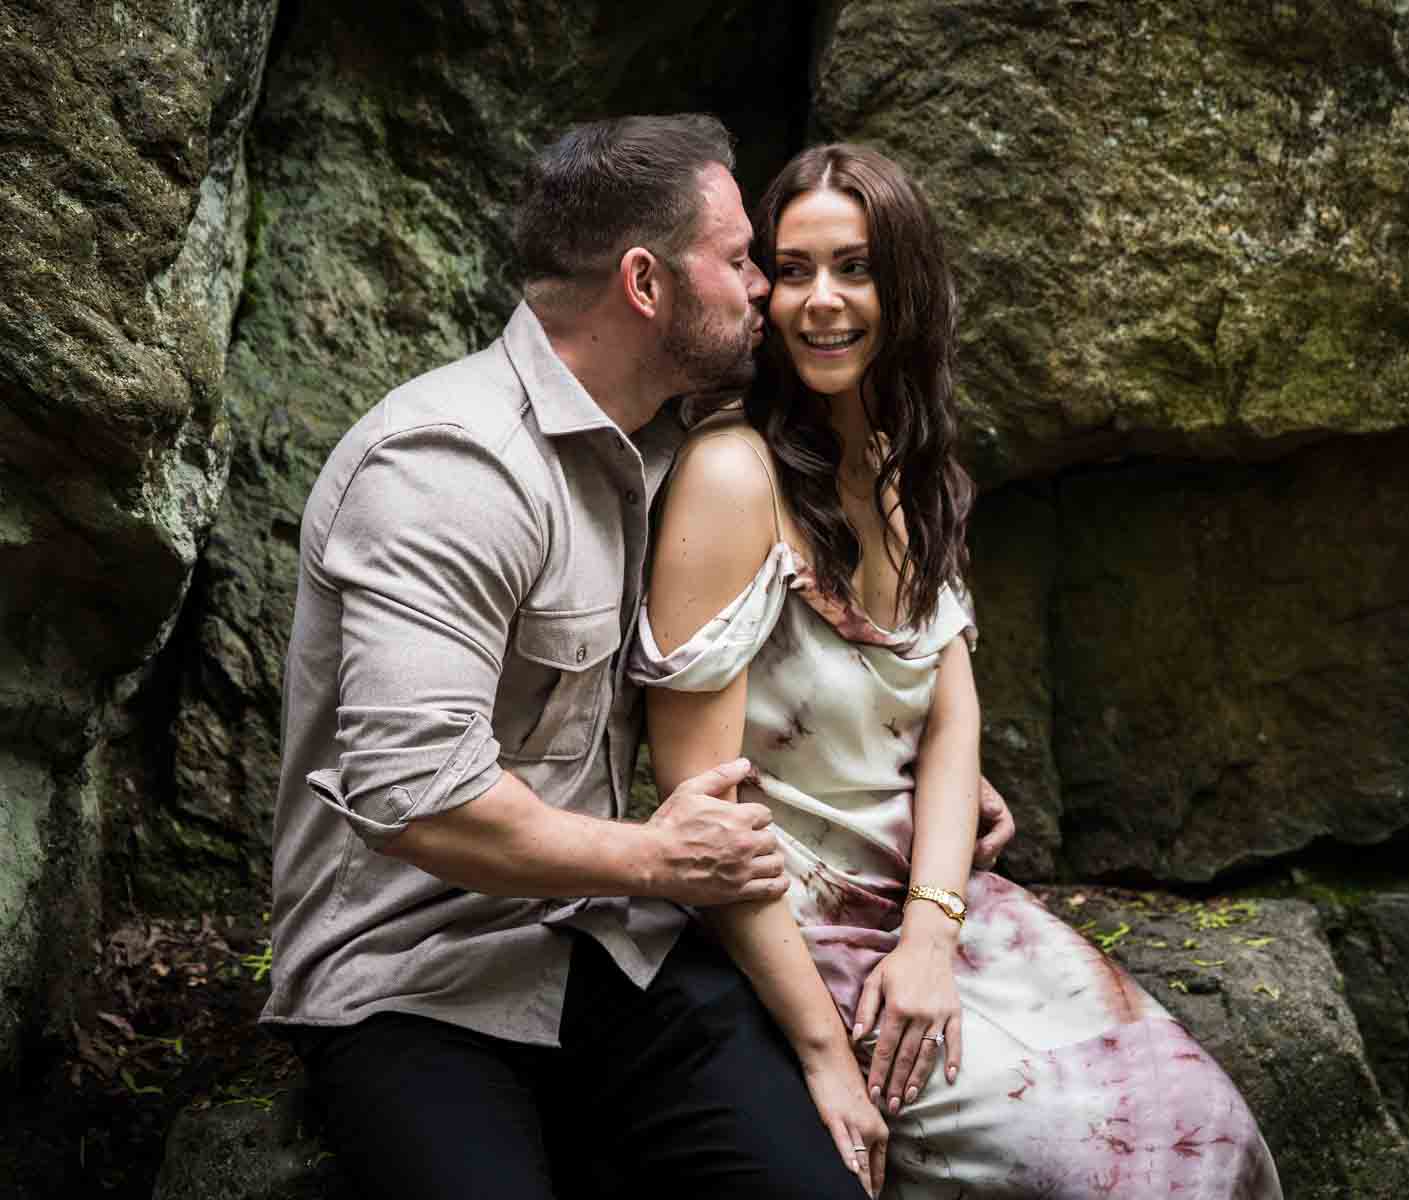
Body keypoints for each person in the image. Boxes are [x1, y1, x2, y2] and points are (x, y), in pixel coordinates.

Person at [260, 114, 1010, 1200]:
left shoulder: (677, 443)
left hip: (621, 951)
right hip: (420, 974)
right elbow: (421, 798)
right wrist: (662, 864)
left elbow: (780, 644)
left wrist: (900, 743)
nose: (767, 289)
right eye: (746, 259)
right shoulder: (448, 467)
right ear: (648, 284)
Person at [631, 142, 1284, 1198]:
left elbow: (948, 719)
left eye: (855, 268)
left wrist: (934, 929)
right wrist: (820, 1053)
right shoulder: (730, 475)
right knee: (1079, 1162)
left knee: (1203, 1125)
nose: (821, 302)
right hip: (793, 938)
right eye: (792, 271)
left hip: (928, 908)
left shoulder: (909, 465)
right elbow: (704, 814)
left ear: (909, 285)